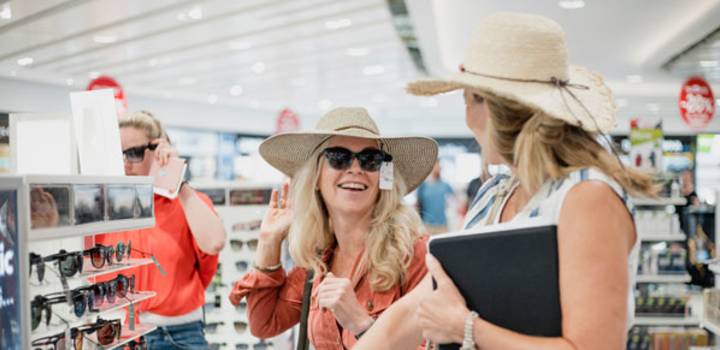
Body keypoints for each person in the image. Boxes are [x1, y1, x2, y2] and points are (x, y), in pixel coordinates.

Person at [355, 12, 657, 349]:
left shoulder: (587, 198)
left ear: (492, 108)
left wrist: (467, 329)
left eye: (468, 100)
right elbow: (418, 307)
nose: (467, 118)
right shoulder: (494, 195)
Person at [228, 107, 438, 349]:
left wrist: (362, 325)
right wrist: (268, 241)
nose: (356, 169)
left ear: (382, 176)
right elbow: (264, 324)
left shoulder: (412, 253)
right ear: (315, 177)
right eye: (339, 157)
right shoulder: (316, 259)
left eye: (370, 160)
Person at [94, 110, 226, 349]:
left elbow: (214, 242)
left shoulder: (184, 202)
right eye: (118, 153)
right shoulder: (102, 206)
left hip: (176, 333)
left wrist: (176, 178)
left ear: (157, 152)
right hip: (113, 334)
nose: (124, 162)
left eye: (133, 153)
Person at [416, 161, 455, 234]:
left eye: (439, 166)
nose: (438, 168)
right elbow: (417, 205)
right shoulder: (423, 186)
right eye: (436, 166)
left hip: (442, 225)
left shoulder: (445, 185)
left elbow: (455, 200)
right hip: (427, 225)